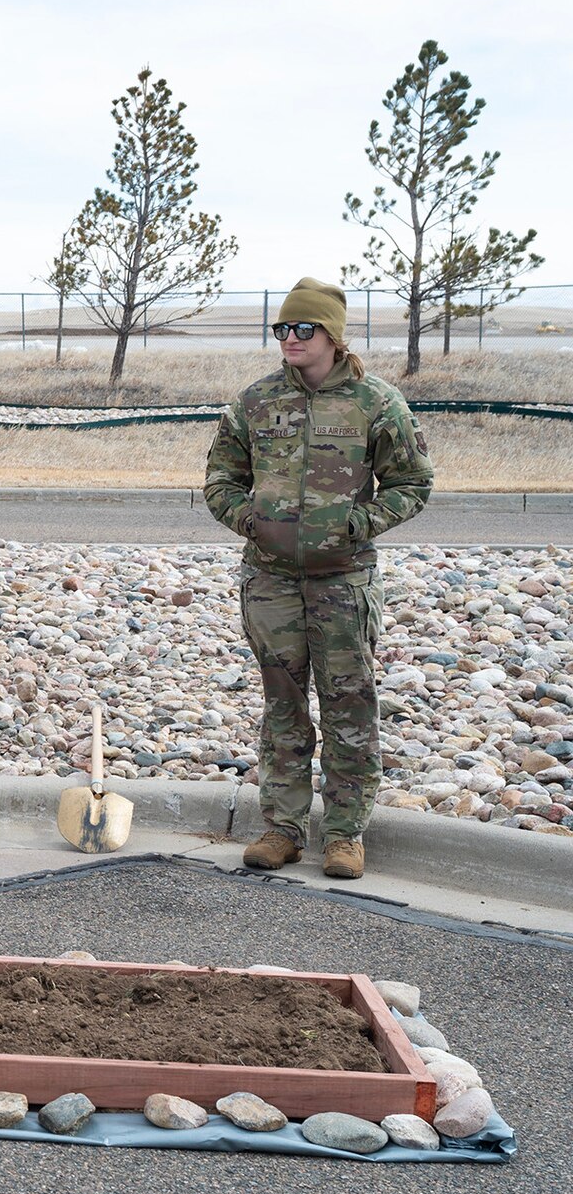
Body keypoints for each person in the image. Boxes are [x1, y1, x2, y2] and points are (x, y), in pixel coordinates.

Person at [205, 277, 434, 881]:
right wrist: (249, 520)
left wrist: (360, 524)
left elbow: (413, 483)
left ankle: (344, 835)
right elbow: (220, 482)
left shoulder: (375, 402)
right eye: (282, 329)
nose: (289, 339)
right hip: (271, 583)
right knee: (282, 706)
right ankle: (282, 829)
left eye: (303, 329)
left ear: (332, 335)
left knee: (348, 706)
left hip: (343, 583)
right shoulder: (253, 404)